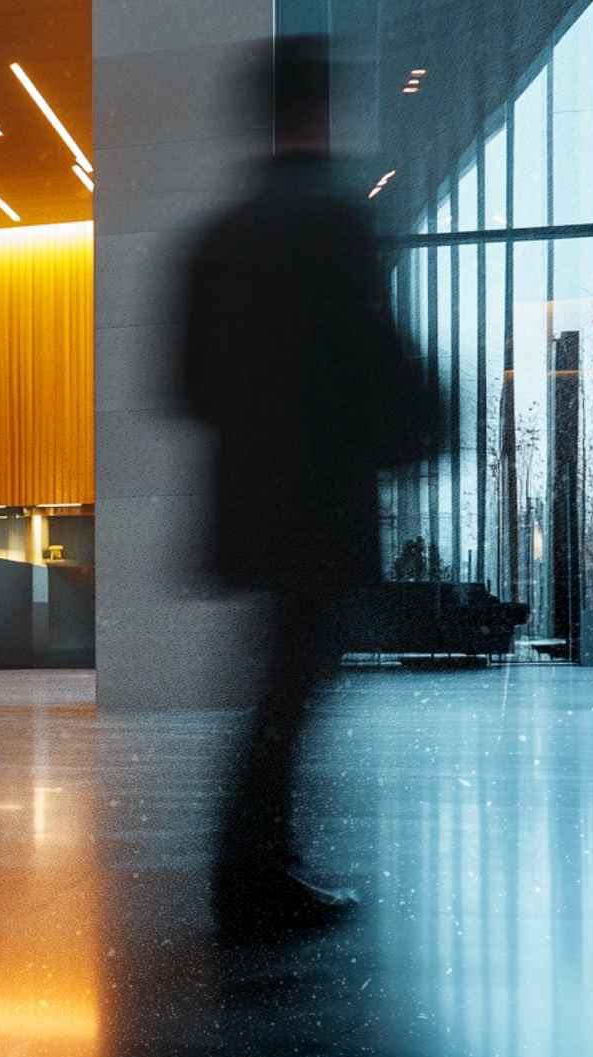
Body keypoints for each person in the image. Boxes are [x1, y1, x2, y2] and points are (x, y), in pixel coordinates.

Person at [178, 36, 429, 935]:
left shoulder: (216, 236)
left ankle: (253, 866)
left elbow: (184, 383)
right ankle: (252, 874)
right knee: (291, 691)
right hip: (318, 505)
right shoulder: (333, 222)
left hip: (248, 505)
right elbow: (375, 363)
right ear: (317, 114)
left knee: (280, 687)